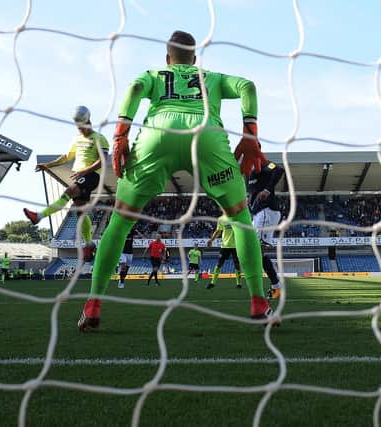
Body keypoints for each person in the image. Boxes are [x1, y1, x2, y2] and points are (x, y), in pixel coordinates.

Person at [78, 30, 274, 332]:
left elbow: (133, 87)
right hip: (206, 134)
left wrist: (120, 135)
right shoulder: (213, 77)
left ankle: (92, 306)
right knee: (240, 218)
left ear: (168, 59)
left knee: (121, 220)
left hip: (158, 135)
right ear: (194, 59)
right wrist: (250, 133)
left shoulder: (155, 74)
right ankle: (259, 303)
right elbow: (248, 86)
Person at [23, 106, 109, 262]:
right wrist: (48, 165)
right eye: (78, 127)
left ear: (88, 122)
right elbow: (67, 156)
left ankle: (39, 216)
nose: (80, 130)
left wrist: (84, 171)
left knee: (69, 191)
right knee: (80, 212)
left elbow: (102, 160)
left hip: (90, 175)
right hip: (80, 176)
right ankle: (89, 245)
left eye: (82, 127)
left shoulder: (100, 138)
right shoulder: (77, 138)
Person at [248, 153, 285, 299]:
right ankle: (276, 286)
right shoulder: (250, 170)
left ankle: (274, 287)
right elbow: (253, 192)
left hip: (266, 212)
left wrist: (267, 190)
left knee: (257, 250)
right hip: (258, 214)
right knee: (256, 252)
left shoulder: (263, 164)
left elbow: (279, 170)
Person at [206, 215, 243, 289]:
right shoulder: (221, 219)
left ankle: (239, 283)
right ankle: (212, 282)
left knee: (237, 264)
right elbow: (218, 231)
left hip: (236, 245)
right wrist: (211, 240)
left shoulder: (238, 217)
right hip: (225, 245)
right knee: (219, 264)